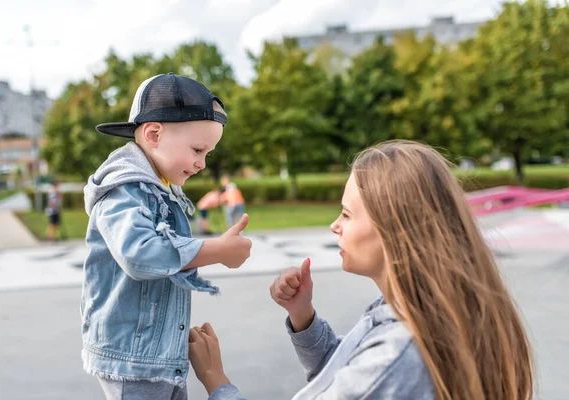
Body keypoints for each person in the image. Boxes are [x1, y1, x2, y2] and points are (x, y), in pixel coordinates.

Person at [188, 140, 534, 400]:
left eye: (347, 214)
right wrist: (302, 317)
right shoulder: (422, 315)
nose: (334, 226)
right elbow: (346, 376)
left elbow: (366, 381)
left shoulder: (399, 354)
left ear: (395, 228)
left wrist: (216, 381)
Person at [81, 73, 252, 400]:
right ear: (154, 134)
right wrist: (216, 250)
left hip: (156, 356)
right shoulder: (123, 192)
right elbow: (139, 254)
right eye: (198, 149)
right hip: (133, 362)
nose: (201, 164)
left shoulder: (159, 189)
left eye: (208, 154)